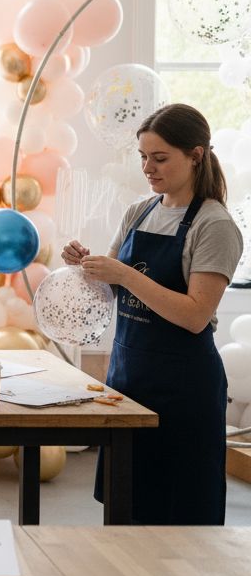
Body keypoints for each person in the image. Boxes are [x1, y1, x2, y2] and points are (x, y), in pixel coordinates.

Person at [62, 103, 242, 525]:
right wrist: (84, 266)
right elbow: (109, 288)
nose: (147, 168)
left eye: (159, 158)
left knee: (178, 519)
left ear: (195, 155)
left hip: (184, 390)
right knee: (125, 505)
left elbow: (196, 315)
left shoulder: (214, 225)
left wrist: (124, 274)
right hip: (129, 379)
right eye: (143, 156)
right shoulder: (139, 212)